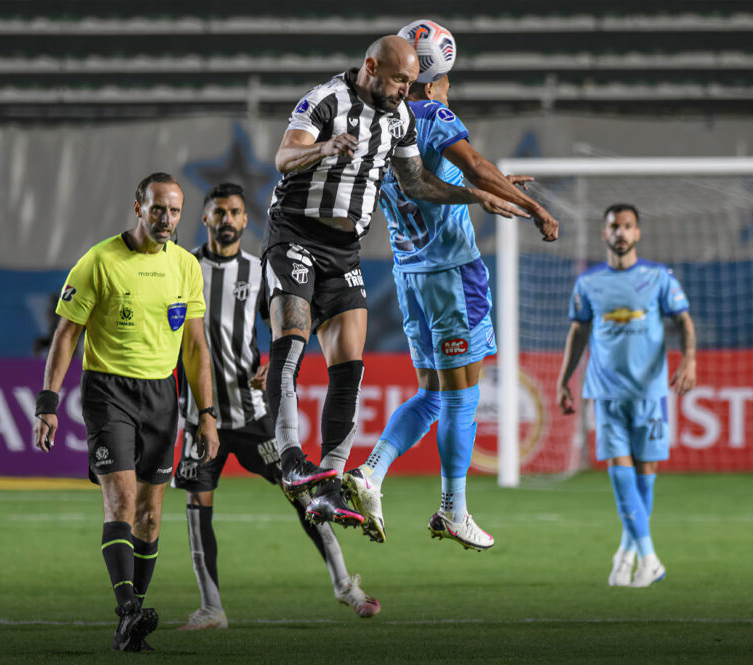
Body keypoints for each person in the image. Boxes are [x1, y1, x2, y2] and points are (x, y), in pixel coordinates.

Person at [262, 34, 526, 527]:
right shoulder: (324, 100)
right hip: (295, 232)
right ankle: (291, 460)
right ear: (371, 67)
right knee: (293, 342)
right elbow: (283, 159)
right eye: (401, 79)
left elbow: (417, 182)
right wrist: (323, 149)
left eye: (413, 80)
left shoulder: (400, 118)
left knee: (350, 368)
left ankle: (332, 484)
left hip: (344, 251)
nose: (409, 89)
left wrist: (476, 196)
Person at [341, 25, 559, 551]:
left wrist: (496, 183)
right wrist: (534, 209)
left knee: (434, 393)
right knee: (462, 396)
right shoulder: (432, 113)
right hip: (452, 272)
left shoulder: (380, 118)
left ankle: (371, 473)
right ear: (435, 76)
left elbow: (443, 177)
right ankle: (452, 510)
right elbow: (474, 166)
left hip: (409, 273)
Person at [172, 183, 379, 629]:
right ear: (205, 218)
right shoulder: (184, 268)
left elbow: (288, 323)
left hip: (251, 413)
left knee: (302, 493)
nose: (227, 220)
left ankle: (346, 585)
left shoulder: (261, 269)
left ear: (247, 221)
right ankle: (212, 608)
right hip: (199, 417)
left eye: (234, 212)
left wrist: (272, 365)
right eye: (218, 212)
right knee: (198, 507)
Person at [31, 173, 219, 651]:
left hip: (162, 396)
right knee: (121, 502)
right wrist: (48, 403)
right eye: (158, 209)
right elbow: (66, 334)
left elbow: (196, 345)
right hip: (108, 392)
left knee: (151, 518)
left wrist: (208, 413)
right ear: (138, 207)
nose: (167, 219)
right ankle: (129, 611)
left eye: (175, 211)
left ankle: (130, 625)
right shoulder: (98, 261)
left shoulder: (185, 267)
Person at [555, 204, 697, 587]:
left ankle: (627, 552)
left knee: (645, 477)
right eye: (614, 226)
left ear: (638, 234)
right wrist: (564, 379)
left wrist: (689, 361)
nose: (621, 232)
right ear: (605, 233)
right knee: (621, 476)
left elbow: (683, 320)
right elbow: (578, 333)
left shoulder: (658, 277)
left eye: (628, 226)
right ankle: (649, 557)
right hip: (606, 394)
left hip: (650, 394)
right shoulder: (588, 283)